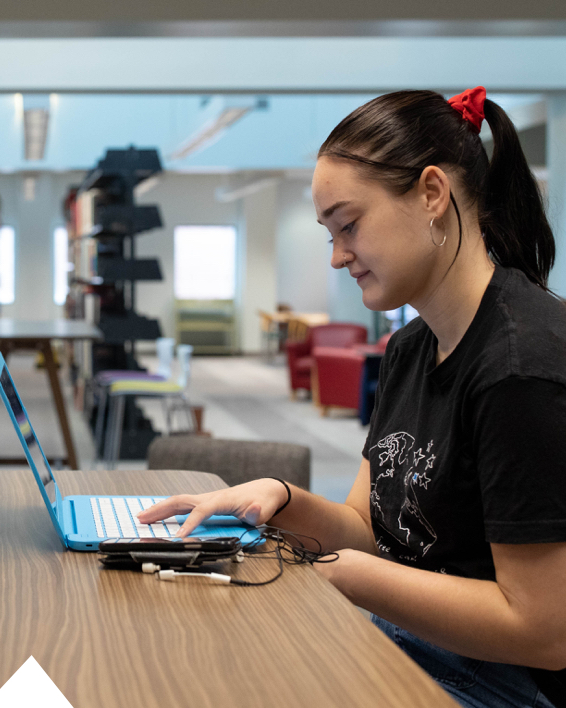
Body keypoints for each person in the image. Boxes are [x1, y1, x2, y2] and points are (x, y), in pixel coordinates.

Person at [140, 87, 566, 708]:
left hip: (507, 684)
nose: (338, 256)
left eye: (350, 225)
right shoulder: (409, 350)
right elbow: (370, 530)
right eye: (329, 233)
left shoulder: (519, 371)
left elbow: (544, 630)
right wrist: (281, 500)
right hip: (417, 644)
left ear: (431, 194)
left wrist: (356, 579)